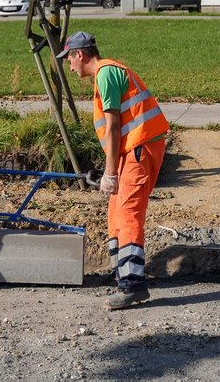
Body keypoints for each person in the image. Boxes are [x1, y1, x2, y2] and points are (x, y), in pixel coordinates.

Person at [57, 31, 169, 310]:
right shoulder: (107, 74)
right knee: (116, 212)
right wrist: (111, 167)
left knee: (129, 212)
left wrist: (111, 173)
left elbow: (114, 127)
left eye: (69, 59)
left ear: (80, 54)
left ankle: (133, 285)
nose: (69, 66)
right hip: (132, 150)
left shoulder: (106, 74)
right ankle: (122, 272)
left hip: (139, 149)